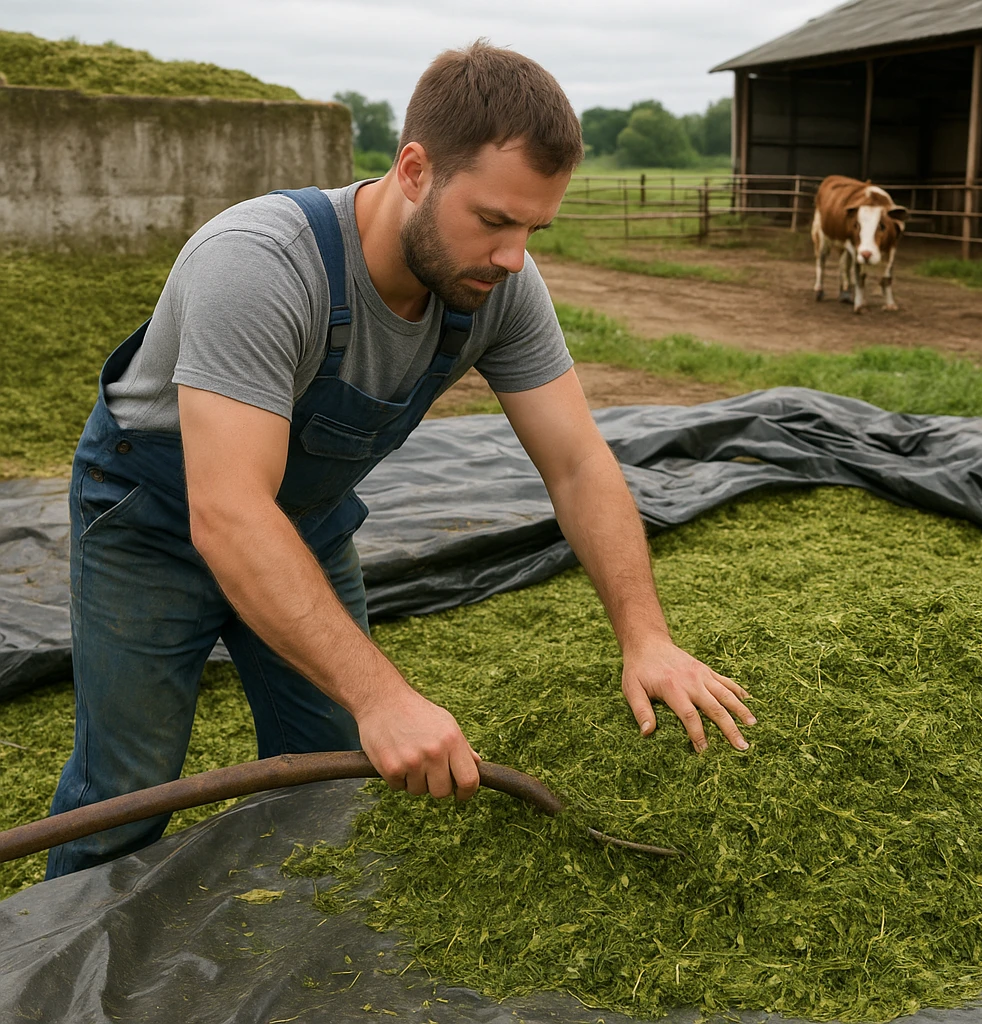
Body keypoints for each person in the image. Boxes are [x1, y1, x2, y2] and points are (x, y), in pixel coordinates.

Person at [46, 41, 755, 879]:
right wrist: (387, 697)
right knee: (128, 784)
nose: (514, 256)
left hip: (301, 525)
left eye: (533, 227)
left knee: (328, 770)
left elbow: (577, 465)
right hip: (153, 522)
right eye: (494, 220)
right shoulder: (262, 264)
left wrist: (647, 639)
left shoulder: (498, 289)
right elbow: (229, 511)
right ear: (415, 169)